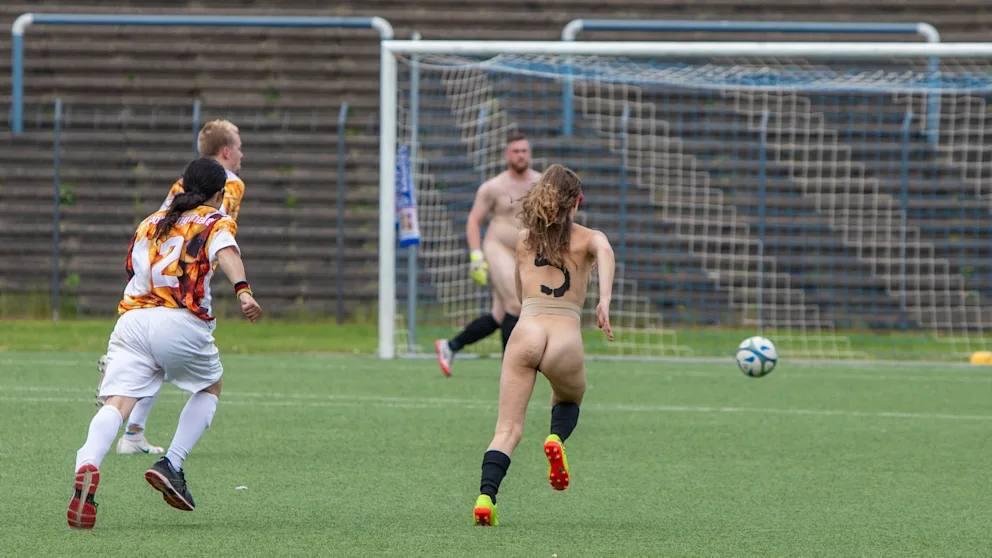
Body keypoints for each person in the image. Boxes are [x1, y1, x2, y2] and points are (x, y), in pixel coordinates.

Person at [67, 158, 262, 529]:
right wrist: (243, 290)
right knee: (210, 387)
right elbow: (227, 252)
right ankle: (172, 463)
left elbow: (132, 269)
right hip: (180, 322)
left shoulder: (150, 221)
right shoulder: (214, 219)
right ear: (219, 194)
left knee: (118, 402)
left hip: (132, 322)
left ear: (183, 187)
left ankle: (87, 462)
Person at [471, 164, 615, 526]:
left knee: (507, 429)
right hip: (563, 336)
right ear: (576, 202)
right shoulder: (588, 238)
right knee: (569, 398)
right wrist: (604, 300)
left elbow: (520, 295)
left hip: (526, 331)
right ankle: (555, 438)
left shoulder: (523, 240)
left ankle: (486, 498)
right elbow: (605, 249)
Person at [96, 119, 246, 455]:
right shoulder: (232, 184)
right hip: (188, 276)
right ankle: (144, 438)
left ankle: (133, 432)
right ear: (226, 152)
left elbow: (163, 221)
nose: (242, 154)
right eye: (239, 147)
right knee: (178, 356)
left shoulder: (182, 183)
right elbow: (213, 224)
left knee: (155, 357)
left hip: (156, 269)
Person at [434, 131, 542, 376]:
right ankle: (512, 370)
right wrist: (476, 256)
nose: (521, 155)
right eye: (516, 151)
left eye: (524, 151)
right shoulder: (493, 187)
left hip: (525, 252)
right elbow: (474, 220)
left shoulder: (540, 183)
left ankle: (450, 346)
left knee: (499, 315)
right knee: (516, 305)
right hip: (498, 248)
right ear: (507, 154)